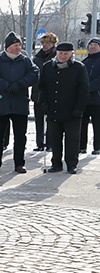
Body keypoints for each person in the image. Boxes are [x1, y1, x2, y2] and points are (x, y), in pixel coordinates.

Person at [0, 32, 39, 174]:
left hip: (19, 103)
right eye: (15, 45)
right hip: (1, 103)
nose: (18, 48)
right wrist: (6, 86)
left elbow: (35, 74)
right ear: (8, 47)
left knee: (20, 136)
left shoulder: (25, 60)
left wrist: (19, 84)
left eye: (19, 45)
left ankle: (19, 164)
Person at [38, 42, 89, 175]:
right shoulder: (48, 67)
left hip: (72, 111)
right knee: (54, 138)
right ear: (56, 53)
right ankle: (56, 163)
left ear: (72, 54)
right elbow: (42, 87)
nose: (63, 56)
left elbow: (84, 90)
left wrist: (80, 108)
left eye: (66, 54)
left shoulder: (79, 67)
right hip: (53, 109)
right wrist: (43, 103)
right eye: (60, 53)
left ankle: (72, 164)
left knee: (72, 140)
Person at [31, 32, 57, 152]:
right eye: (43, 43)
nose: (45, 45)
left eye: (47, 43)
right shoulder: (37, 58)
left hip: (52, 93)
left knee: (51, 120)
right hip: (38, 93)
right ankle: (40, 143)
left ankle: (50, 143)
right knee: (39, 120)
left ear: (53, 43)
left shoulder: (57, 56)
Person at [81, 37, 100, 156]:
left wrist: (89, 87)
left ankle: (97, 146)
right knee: (82, 124)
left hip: (97, 98)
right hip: (84, 98)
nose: (92, 47)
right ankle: (81, 146)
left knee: (97, 124)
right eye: (91, 45)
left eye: (95, 45)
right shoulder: (85, 61)